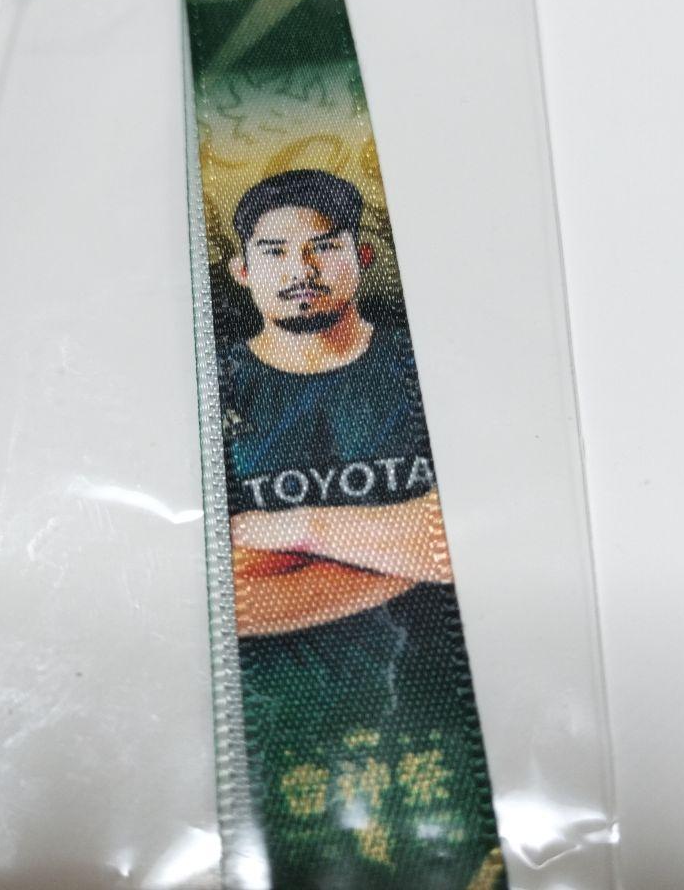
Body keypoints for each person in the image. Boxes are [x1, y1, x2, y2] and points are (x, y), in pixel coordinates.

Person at [219, 169, 503, 888]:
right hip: (280, 739)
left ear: (362, 256)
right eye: (275, 252)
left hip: (464, 715)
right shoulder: (216, 389)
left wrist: (292, 528)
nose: (301, 270)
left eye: (323, 246)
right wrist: (415, 547)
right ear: (242, 268)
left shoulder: (426, 364)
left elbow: (489, 527)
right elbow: (224, 594)